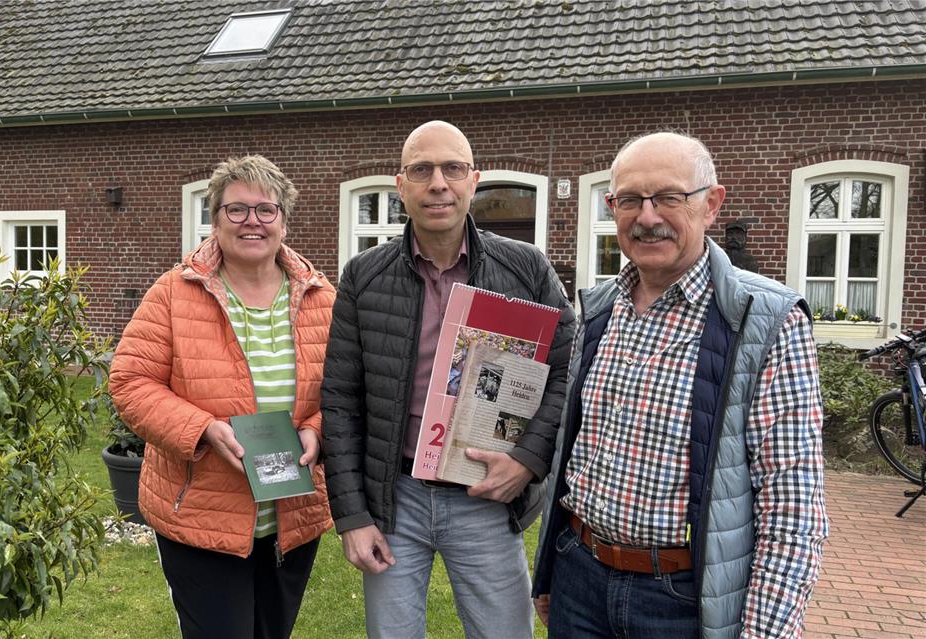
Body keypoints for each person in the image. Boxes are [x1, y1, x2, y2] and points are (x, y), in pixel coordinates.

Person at [532, 132, 829, 639]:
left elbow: (792, 505)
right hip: (579, 575)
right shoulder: (600, 309)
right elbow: (573, 451)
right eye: (630, 200)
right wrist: (551, 572)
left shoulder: (766, 322)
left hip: (680, 601)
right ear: (612, 207)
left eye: (669, 197)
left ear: (711, 205)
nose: (647, 217)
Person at [321, 120, 576, 639]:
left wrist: (527, 461)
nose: (438, 182)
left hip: (484, 494)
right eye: (422, 170)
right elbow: (341, 401)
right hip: (395, 497)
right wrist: (352, 517)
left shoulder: (526, 269)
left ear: (473, 180)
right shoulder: (362, 277)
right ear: (401, 185)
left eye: (452, 168)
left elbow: (567, 373)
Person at [109, 155, 334, 639]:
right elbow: (130, 382)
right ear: (215, 219)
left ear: (284, 220)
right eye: (236, 210)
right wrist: (203, 428)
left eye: (266, 210)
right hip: (201, 514)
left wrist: (317, 428)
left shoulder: (322, 299)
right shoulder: (174, 293)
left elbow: (344, 391)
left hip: (292, 516)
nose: (252, 221)